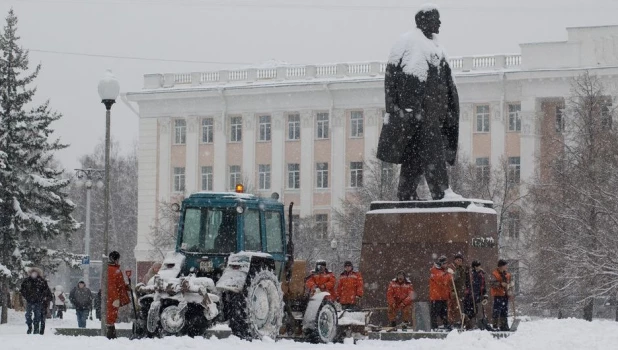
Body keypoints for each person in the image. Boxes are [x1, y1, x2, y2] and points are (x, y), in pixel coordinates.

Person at [377, 4, 459, 201]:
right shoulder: (408, 43)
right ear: (423, 21)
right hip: (418, 115)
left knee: (413, 156)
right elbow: (393, 78)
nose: (439, 23)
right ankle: (441, 192)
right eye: (435, 19)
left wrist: (447, 111)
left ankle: (406, 193)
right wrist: (401, 109)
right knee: (433, 152)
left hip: (433, 115)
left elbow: (447, 85)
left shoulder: (438, 48)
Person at [19, 267, 53, 335]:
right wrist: (27, 297)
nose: (34, 274)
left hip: (38, 301)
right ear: (30, 273)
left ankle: (36, 329)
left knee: (37, 316)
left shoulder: (42, 281)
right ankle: (29, 327)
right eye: (33, 273)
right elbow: (22, 290)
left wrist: (43, 297)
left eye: (35, 273)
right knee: (28, 315)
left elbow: (46, 291)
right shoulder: (27, 281)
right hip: (29, 301)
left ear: (38, 273)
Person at [106, 251, 131, 339]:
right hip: (113, 297)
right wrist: (115, 298)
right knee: (111, 315)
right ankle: (110, 335)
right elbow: (112, 285)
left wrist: (126, 287)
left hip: (113, 296)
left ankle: (111, 334)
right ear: (116, 259)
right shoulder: (113, 270)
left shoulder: (114, 269)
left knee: (112, 315)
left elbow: (118, 284)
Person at [447, 253, 471, 328]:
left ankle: (462, 322)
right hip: (454, 291)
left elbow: (465, 280)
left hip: (461, 292)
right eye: (458, 260)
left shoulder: (463, 269)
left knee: (460, 307)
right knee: (454, 308)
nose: (459, 261)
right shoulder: (452, 268)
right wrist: (452, 291)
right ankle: (454, 322)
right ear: (455, 260)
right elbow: (451, 280)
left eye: (461, 260)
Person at [490, 259, 514, 331]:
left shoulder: (507, 274)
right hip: (498, 295)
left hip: (505, 295)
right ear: (501, 266)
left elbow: (510, 284)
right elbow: (492, 283)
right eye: (505, 265)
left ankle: (504, 325)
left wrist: (510, 288)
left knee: (504, 311)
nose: (506, 267)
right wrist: (500, 284)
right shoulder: (494, 274)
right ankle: (495, 326)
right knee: (496, 310)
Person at [429, 256, 452, 330]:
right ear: (441, 263)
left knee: (444, 312)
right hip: (436, 296)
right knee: (435, 312)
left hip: (443, 296)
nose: (446, 265)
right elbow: (442, 280)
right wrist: (449, 275)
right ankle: (434, 326)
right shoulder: (435, 270)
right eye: (445, 263)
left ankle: (446, 324)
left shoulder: (443, 271)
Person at [470, 260, 489, 328]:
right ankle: (478, 323)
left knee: (482, 309)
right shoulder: (473, 274)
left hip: (481, 294)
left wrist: (484, 293)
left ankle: (483, 322)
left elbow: (483, 284)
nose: (480, 267)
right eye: (478, 266)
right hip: (476, 294)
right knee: (477, 309)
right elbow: (475, 285)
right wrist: (476, 294)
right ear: (475, 267)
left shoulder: (481, 274)